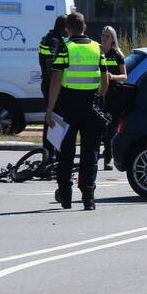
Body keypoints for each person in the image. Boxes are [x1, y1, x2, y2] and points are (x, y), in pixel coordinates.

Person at [45, 12, 109, 211]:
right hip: (90, 104)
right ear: (85, 27)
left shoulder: (65, 47)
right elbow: (105, 80)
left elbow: (56, 80)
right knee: (90, 152)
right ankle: (88, 195)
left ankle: (66, 196)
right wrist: (97, 98)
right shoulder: (97, 48)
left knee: (65, 152)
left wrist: (49, 109)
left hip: (67, 105)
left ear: (68, 29)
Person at [38, 15, 68, 157]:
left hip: (47, 84)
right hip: (51, 86)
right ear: (63, 27)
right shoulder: (53, 41)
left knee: (52, 120)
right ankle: (50, 155)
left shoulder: (48, 38)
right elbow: (51, 67)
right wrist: (56, 89)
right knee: (53, 120)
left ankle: (50, 153)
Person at [98, 25, 127, 170]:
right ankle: (93, 156)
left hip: (113, 95)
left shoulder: (117, 55)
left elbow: (124, 76)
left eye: (107, 36)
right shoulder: (97, 52)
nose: (104, 38)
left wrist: (113, 76)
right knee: (97, 127)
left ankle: (108, 159)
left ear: (112, 39)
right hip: (99, 94)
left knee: (110, 129)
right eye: (103, 35)